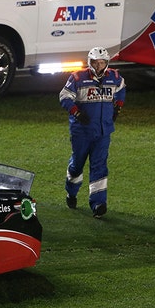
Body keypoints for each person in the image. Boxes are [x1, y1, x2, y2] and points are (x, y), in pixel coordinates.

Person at [59, 47, 126, 218]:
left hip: (103, 131)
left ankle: (98, 204)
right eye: (95, 62)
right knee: (77, 166)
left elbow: (121, 89)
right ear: (90, 62)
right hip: (81, 132)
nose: (98, 65)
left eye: (102, 62)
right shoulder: (77, 77)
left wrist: (118, 107)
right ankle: (71, 193)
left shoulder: (114, 77)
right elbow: (64, 96)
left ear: (106, 63)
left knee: (99, 166)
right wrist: (76, 112)